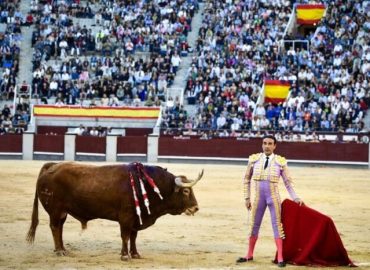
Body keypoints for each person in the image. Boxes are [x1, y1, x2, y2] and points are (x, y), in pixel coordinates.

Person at [237, 135, 304, 267]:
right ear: (262, 145)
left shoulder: (280, 161)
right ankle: (249, 254)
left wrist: (295, 197)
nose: (267, 146)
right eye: (265, 143)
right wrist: (246, 197)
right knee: (254, 225)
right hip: (258, 198)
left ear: (274, 146)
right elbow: (246, 179)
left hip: (273, 198)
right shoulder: (254, 160)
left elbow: (288, 182)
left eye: (270, 143)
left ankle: (280, 257)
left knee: (277, 226)